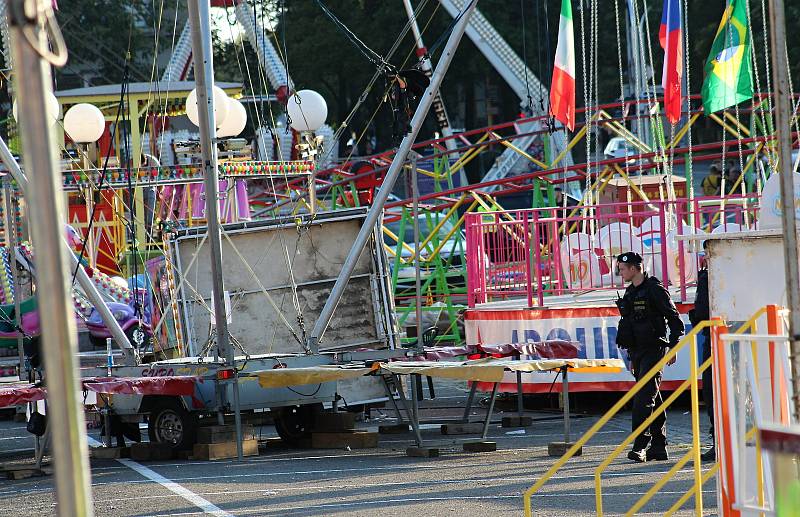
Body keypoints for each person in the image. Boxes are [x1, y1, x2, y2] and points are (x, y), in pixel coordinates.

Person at [615, 252, 684, 463]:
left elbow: (674, 319)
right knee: (652, 398)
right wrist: (629, 354)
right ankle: (659, 446)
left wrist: (674, 347)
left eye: (623, 269)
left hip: (655, 349)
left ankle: (640, 445)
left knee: (643, 398)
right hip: (637, 351)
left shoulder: (654, 289)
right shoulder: (629, 293)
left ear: (635, 268)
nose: (620, 273)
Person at [689, 241, 715, 461]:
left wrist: (696, 315)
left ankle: (720, 441)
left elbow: (703, 310)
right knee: (710, 392)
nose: (705, 258)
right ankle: (718, 439)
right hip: (714, 338)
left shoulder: (710, 277)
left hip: (718, 339)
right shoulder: (706, 276)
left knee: (715, 392)